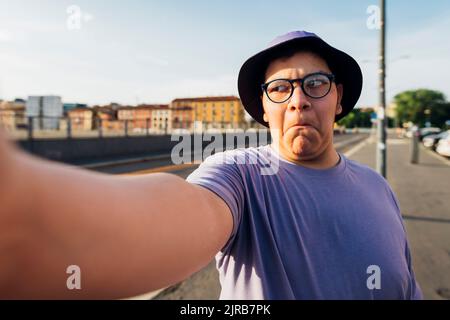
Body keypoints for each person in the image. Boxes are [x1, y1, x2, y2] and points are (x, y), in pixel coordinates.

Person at [0, 31, 421, 299]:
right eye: (280, 88)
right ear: (264, 108)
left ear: (339, 97)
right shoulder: (240, 174)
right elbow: (178, 213)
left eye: (315, 84)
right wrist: (24, 204)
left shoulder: (378, 187)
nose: (298, 100)